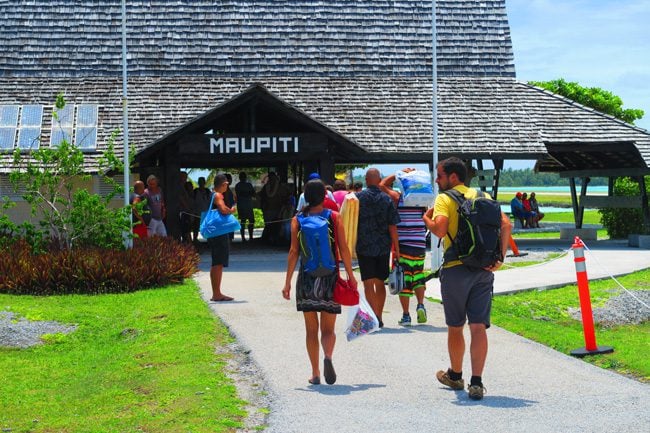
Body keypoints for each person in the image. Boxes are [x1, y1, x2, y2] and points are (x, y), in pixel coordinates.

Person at [423, 157, 511, 400]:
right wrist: (500, 258)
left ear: (453, 177)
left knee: (455, 326)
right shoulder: (483, 196)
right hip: (483, 270)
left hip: (455, 269)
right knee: (478, 327)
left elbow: (440, 230)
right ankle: (476, 382)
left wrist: (426, 219)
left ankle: (455, 375)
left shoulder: (444, 198)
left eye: (439, 176)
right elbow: (506, 224)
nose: (437, 181)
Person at [282, 179, 357, 385]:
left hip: (307, 278)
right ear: (325, 196)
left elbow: (293, 252)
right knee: (328, 329)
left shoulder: (297, 219)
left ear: (305, 197)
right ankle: (328, 357)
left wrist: (287, 282)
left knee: (311, 330)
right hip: (330, 278)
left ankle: (315, 372)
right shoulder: (334, 217)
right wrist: (350, 276)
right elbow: (344, 248)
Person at [379, 168, 428, 326]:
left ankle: (406, 315)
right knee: (418, 275)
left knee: (404, 278)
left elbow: (382, 185)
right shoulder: (422, 201)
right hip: (419, 244)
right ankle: (420, 304)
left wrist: (398, 173)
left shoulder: (398, 198)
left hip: (403, 245)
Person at [355, 168, 400, 327]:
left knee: (368, 283)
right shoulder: (386, 199)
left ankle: (373, 317)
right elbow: (392, 226)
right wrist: (397, 250)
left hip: (363, 245)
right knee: (380, 282)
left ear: (366, 180)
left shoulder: (358, 198)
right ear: (379, 179)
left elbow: (350, 223)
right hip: (382, 246)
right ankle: (379, 316)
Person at [208, 174, 235, 302]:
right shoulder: (218, 195)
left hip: (214, 231)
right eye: (226, 184)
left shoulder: (212, 194)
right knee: (218, 262)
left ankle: (217, 292)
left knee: (216, 262)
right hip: (219, 232)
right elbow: (223, 209)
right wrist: (232, 210)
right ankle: (217, 293)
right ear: (223, 184)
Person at [235, 171, 256, 242]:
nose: (243, 178)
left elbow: (253, 193)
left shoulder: (249, 185)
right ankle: (243, 237)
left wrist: (247, 193)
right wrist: (248, 193)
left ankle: (251, 236)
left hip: (248, 205)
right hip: (242, 205)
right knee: (243, 221)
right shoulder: (238, 185)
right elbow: (240, 194)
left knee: (251, 221)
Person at [193, 176, 212, 242]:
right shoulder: (195, 191)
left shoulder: (208, 191)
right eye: (200, 182)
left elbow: (211, 202)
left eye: (202, 182)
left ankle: (209, 240)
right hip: (197, 213)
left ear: (204, 182)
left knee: (207, 227)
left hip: (206, 213)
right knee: (196, 227)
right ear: (198, 183)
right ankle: (195, 239)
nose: (201, 183)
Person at [178, 171, 193, 243]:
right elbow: (181, 198)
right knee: (186, 230)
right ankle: (190, 246)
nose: (185, 179)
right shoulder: (179, 186)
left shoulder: (184, 186)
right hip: (183, 211)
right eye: (184, 177)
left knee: (187, 229)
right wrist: (187, 208)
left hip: (186, 211)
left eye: (186, 177)